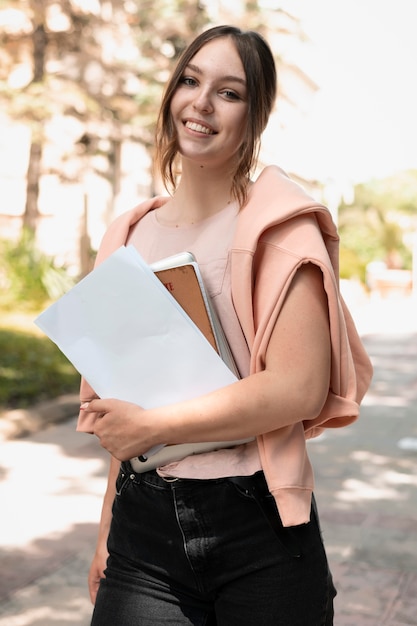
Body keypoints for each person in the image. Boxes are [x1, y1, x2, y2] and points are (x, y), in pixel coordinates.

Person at [77, 24, 373, 625]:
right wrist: (108, 527)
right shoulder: (128, 235)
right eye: (190, 80)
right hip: (144, 531)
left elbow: (298, 388)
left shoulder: (280, 227)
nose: (202, 103)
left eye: (230, 92)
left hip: (257, 531)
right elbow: (127, 402)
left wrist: (155, 424)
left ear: (255, 115)